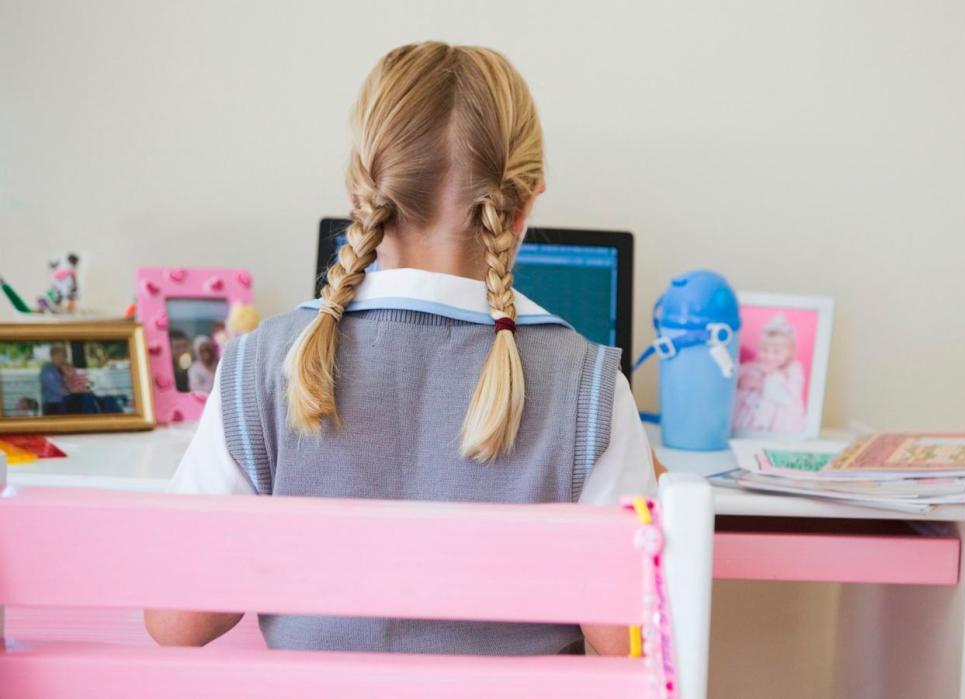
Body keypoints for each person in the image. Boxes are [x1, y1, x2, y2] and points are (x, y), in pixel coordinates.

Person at [146, 43, 656, 658]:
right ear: (525, 205)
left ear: (359, 198)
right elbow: (625, 647)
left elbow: (175, 620)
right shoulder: (591, 391)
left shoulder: (259, 365)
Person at [732, 314, 806, 434]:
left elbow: (788, 399)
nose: (769, 356)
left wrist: (762, 383)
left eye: (776, 352)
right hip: (750, 422)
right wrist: (741, 383)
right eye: (764, 350)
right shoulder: (752, 367)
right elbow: (734, 382)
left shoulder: (792, 372)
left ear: (789, 352)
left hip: (778, 425)